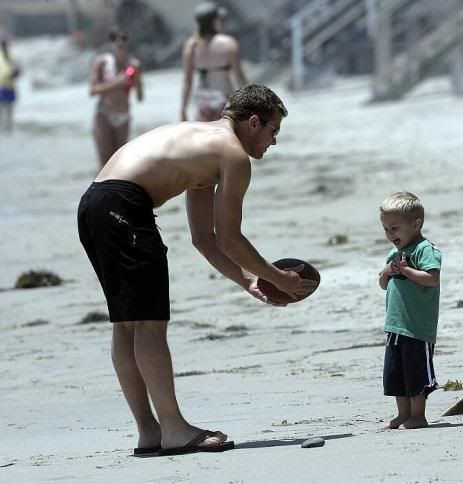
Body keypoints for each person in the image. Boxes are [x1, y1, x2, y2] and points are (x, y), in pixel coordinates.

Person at [77, 84, 318, 456]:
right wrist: (277, 277)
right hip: (124, 208)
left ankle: (149, 432)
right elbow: (231, 238)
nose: (274, 141)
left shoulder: (203, 144)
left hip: (95, 203)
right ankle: (173, 429)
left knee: (127, 324)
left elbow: (204, 238)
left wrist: (249, 281)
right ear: (254, 122)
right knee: (149, 324)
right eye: (274, 130)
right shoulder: (233, 154)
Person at [378, 192, 442, 429]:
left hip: (417, 327)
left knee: (416, 373)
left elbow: (432, 279)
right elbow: (383, 284)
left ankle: (418, 414)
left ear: (416, 224)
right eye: (386, 229)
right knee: (396, 373)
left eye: (394, 228)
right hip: (395, 324)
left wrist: (406, 271)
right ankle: (402, 413)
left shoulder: (425, 249)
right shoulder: (393, 254)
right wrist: (387, 272)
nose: (389, 234)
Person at [180, 2, 247, 122]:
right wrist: (251, 103)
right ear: (215, 22)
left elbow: (187, 82)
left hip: (203, 103)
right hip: (224, 101)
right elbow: (240, 78)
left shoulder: (191, 45)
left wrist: (183, 109)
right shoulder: (229, 44)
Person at [89, 27, 143, 170]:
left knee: (119, 163)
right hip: (104, 114)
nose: (119, 42)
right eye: (114, 38)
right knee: (104, 164)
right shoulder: (102, 62)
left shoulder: (133, 65)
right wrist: (115, 83)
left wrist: (138, 79)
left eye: (123, 38)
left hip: (123, 115)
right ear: (111, 42)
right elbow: (92, 90)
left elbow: (140, 97)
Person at [0, 35, 21, 132]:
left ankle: (9, 129)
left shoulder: (12, 56)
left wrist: (15, 73)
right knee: (2, 109)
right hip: (2, 86)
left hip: (11, 86)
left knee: (10, 110)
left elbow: (18, 68)